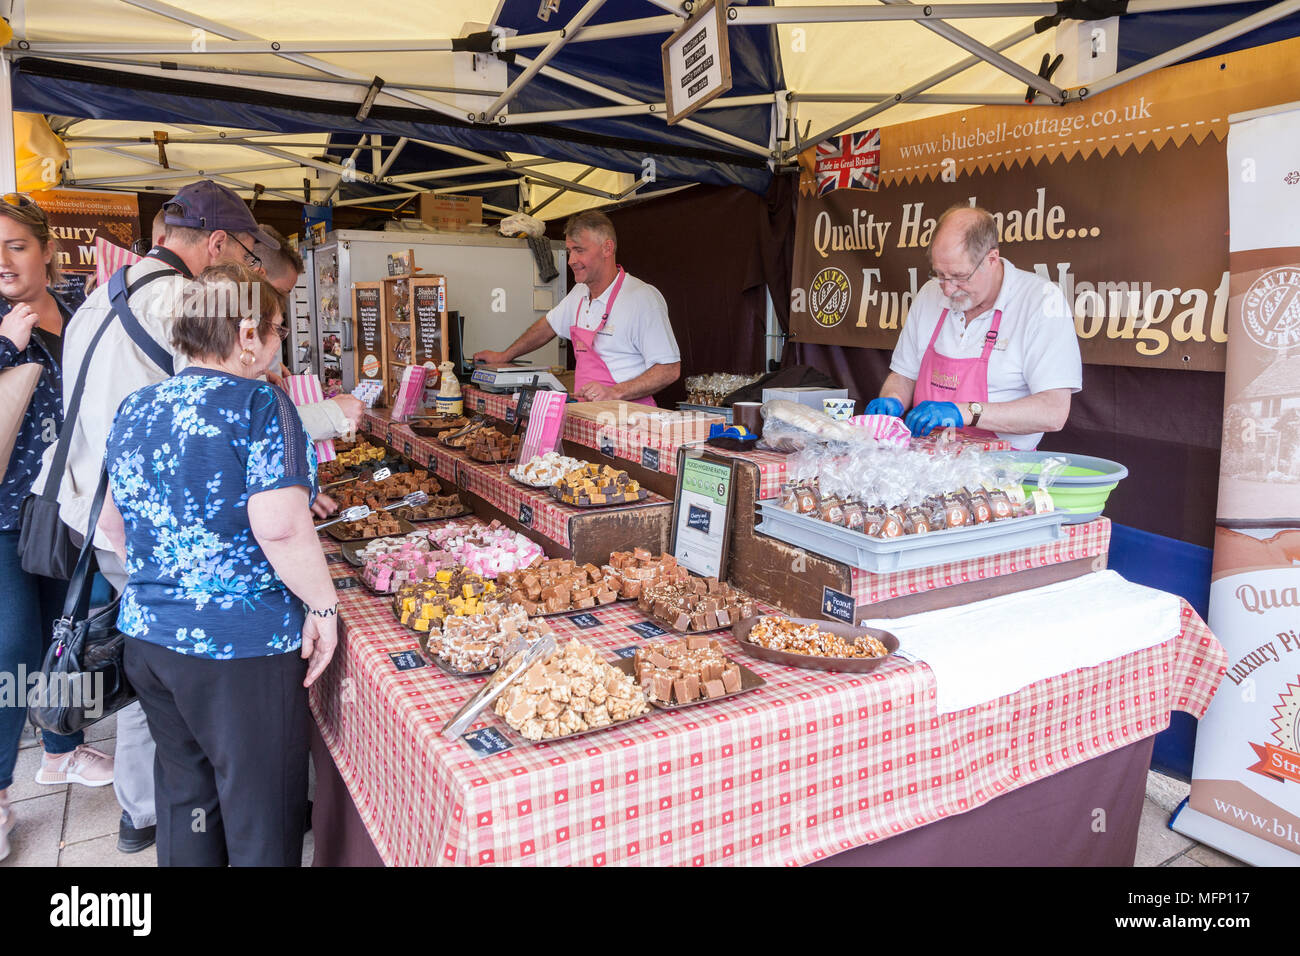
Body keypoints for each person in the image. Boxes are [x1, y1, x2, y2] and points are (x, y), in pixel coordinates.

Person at [31, 178, 282, 854]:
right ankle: (194, 808)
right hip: (140, 522)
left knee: (151, 662)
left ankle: (148, 812)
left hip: (97, 509)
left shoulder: (99, 297)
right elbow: (212, 420)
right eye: (243, 257)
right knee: (178, 665)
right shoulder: (180, 302)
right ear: (220, 243)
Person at [96, 263, 338, 866]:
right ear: (249, 333)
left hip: (151, 639)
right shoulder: (261, 404)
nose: (281, 343)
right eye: (279, 328)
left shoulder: (138, 406)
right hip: (241, 652)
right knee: (259, 807)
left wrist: (175, 574)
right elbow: (280, 527)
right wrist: (323, 607)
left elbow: (109, 523)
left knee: (185, 795)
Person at [0, 194, 114, 862]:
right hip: (5, 515)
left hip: (69, 507)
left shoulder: (77, 312)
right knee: (12, 648)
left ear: (46, 249)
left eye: (16, 246)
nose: (6, 262)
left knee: (65, 633)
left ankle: (63, 749)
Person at [865, 205, 1081, 451]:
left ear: (991, 259)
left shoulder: (1040, 301)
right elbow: (904, 375)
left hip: (1002, 471)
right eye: (940, 275)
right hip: (924, 462)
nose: (947, 289)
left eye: (959, 277)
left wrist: (965, 412)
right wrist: (892, 400)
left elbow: (1053, 411)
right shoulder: (929, 295)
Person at [473, 210, 681, 405]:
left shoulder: (642, 298)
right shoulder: (579, 293)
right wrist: (505, 356)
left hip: (629, 419)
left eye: (579, 250)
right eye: (569, 251)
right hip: (588, 416)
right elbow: (547, 327)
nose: (571, 260)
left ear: (607, 248)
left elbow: (669, 369)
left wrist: (615, 391)